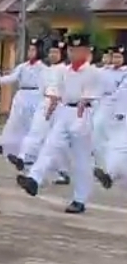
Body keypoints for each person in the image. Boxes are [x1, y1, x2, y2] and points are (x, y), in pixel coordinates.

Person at [16, 33, 102, 214]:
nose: (72, 53)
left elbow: (90, 96)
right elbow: (56, 92)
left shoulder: (93, 72)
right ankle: (34, 179)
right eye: (70, 50)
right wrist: (51, 109)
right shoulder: (64, 71)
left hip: (82, 114)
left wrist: (82, 109)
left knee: (81, 160)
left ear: (86, 52)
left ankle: (79, 199)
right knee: (50, 145)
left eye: (77, 50)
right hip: (64, 111)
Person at [8, 41, 71, 185]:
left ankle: (62, 170)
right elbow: (43, 89)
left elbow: (60, 90)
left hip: (57, 106)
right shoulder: (47, 69)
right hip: (44, 102)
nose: (52, 55)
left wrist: (51, 107)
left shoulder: (64, 70)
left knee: (55, 142)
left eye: (56, 52)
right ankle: (23, 158)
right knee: (36, 134)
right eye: (51, 52)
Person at [0, 37, 47, 159]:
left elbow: (44, 85)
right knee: (15, 121)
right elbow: (12, 78)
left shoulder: (43, 68)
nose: (30, 53)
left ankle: (27, 153)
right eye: (29, 50)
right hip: (22, 94)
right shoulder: (23, 66)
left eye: (33, 50)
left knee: (30, 125)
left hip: (35, 95)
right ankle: (7, 146)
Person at [94, 46, 127, 189]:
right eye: (114, 57)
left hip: (122, 111)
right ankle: (106, 170)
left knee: (119, 145)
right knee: (99, 136)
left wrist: (120, 111)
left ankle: (110, 173)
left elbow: (122, 94)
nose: (116, 60)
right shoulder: (105, 71)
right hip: (106, 106)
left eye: (119, 57)